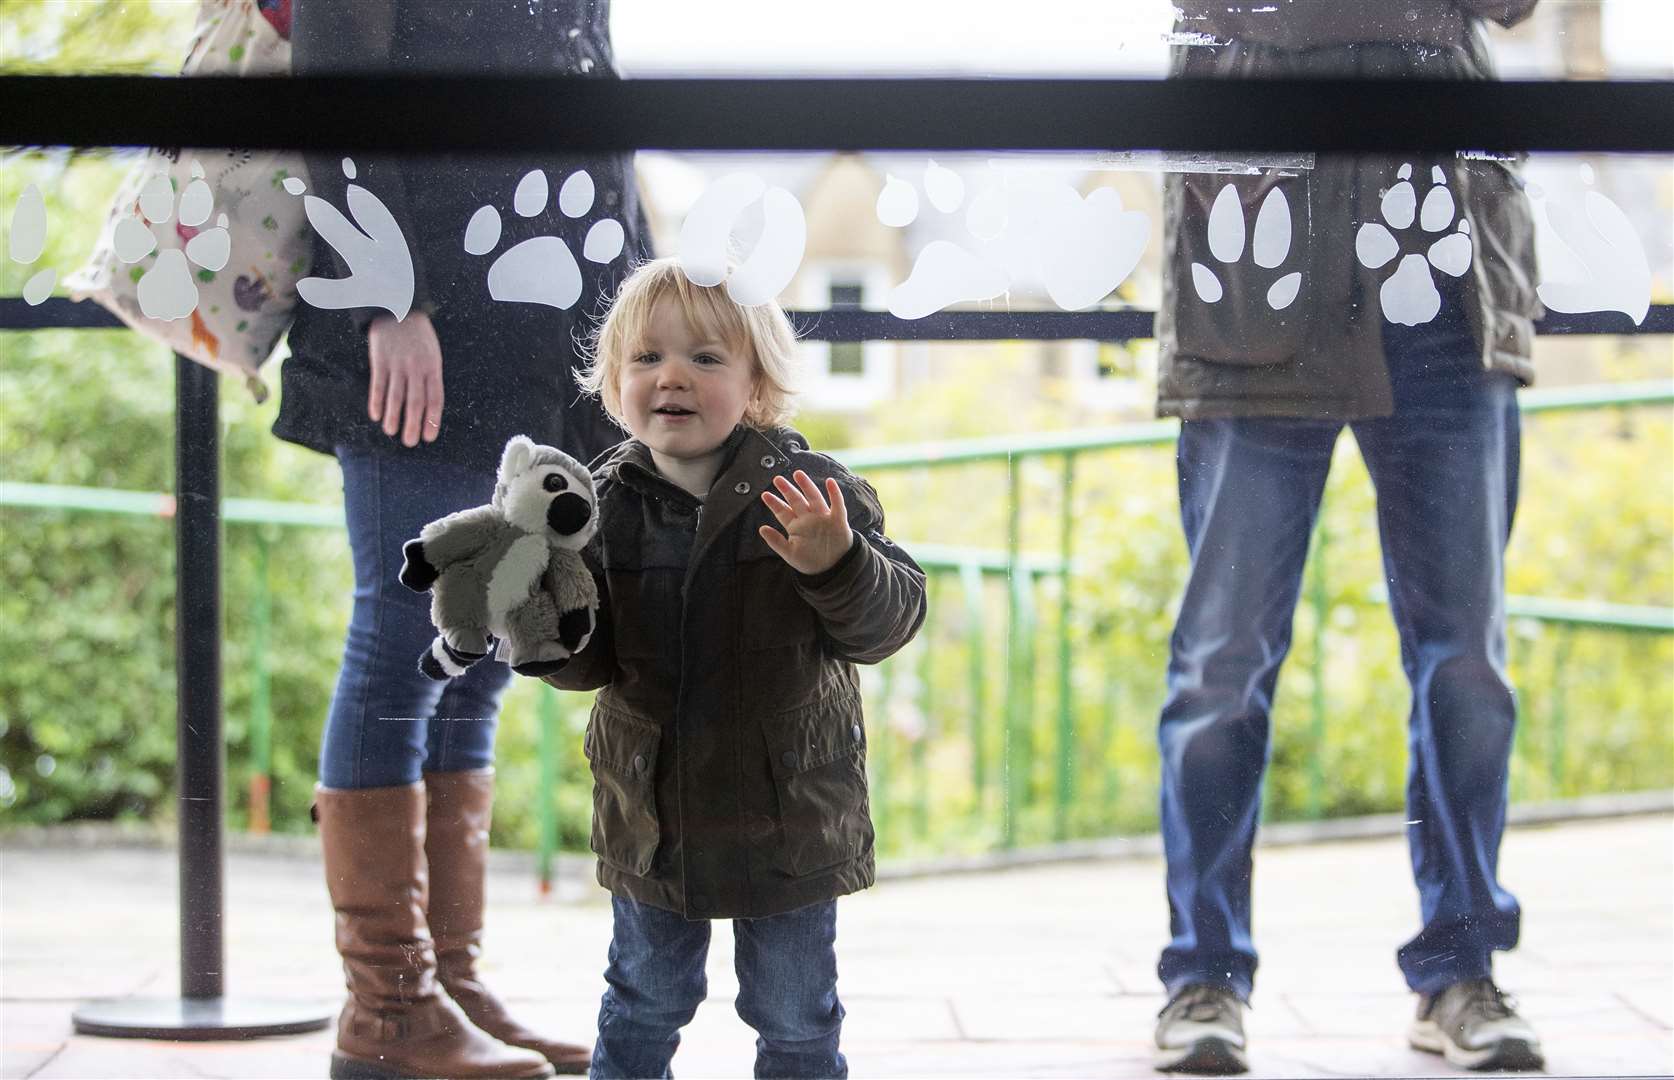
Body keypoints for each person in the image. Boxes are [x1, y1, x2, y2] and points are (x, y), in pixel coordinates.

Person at [1148, 1, 1546, 1074]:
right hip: (1258, 269)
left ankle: (1461, 972)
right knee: (1223, 661)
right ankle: (1203, 979)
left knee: (1466, 661)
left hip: (1446, 275)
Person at [278, 2, 647, 1076]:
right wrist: (391, 294)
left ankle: (448, 977)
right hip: (420, 330)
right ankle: (387, 1008)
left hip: (541, 331)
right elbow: (331, 90)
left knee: (477, 655)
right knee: (402, 649)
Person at [542, 257, 928, 1079]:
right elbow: (589, 664)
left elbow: (890, 623)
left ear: (757, 386)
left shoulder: (811, 493)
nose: (671, 376)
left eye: (705, 358)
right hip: (652, 814)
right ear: (614, 384)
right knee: (643, 1000)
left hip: (789, 812)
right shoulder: (598, 510)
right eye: (646, 358)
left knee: (795, 1012)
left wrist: (840, 562)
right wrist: (541, 628)